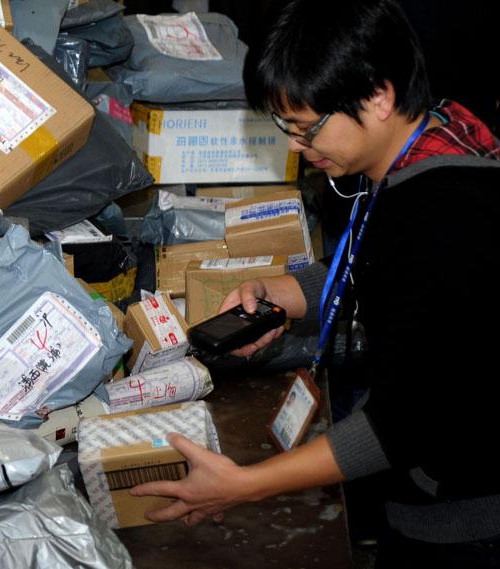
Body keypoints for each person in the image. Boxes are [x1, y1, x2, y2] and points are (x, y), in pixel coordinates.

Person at [130, 0, 500, 566]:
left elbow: (399, 427)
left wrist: (244, 484)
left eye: (306, 129)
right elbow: (381, 265)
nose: (296, 147)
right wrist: (286, 291)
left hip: (462, 522)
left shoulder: (442, 221)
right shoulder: (432, 139)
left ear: (378, 97)